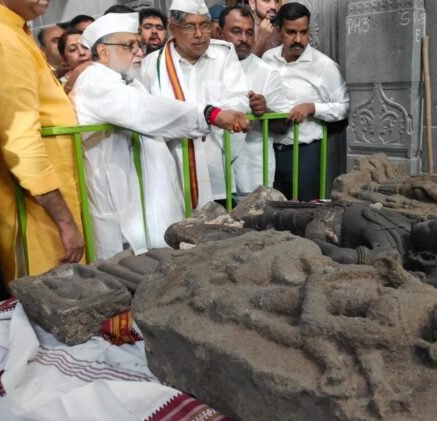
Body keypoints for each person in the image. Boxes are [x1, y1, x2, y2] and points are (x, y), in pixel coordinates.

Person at [71, 13, 248, 259]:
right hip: (120, 205)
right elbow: (143, 110)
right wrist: (209, 114)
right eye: (129, 46)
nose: (139, 52)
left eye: (139, 45)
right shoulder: (94, 81)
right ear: (103, 52)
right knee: (125, 269)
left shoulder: (130, 83)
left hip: (145, 204)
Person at [0, 0, 85, 282]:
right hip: (38, 209)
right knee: (58, 294)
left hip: (43, 199)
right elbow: (21, 140)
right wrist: (65, 222)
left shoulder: (6, 26)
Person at [139, 0, 248, 207]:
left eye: (204, 25)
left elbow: (240, 101)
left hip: (215, 167)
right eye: (190, 27)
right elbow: (147, 113)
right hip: (171, 168)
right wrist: (206, 117)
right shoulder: (152, 65)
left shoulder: (223, 55)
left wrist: (211, 120)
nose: (199, 34)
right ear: (173, 28)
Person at [262, 3, 349, 201]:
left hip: (305, 154)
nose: (298, 39)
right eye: (291, 32)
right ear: (278, 31)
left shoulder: (324, 66)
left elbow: (343, 107)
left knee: (304, 210)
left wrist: (312, 107)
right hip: (270, 151)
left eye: (303, 32)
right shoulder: (267, 59)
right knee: (273, 210)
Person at [219, 5, 290, 195]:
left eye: (249, 32)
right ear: (219, 32)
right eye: (236, 31)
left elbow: (284, 126)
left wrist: (264, 112)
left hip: (252, 171)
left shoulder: (267, 73)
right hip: (211, 171)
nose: (244, 38)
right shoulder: (204, 68)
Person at [57, 28, 91, 92]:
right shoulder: (61, 86)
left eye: (85, 47)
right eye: (73, 49)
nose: (82, 53)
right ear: (64, 58)